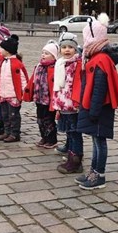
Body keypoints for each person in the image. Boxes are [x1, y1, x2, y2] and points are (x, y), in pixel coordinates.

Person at [76, 14, 118, 190]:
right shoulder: (96, 57)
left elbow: (99, 89)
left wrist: (94, 111)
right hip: (95, 108)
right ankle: (93, 171)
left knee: (100, 142)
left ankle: (99, 175)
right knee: (96, 141)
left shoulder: (101, 60)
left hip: (99, 109)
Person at [0, 36, 28, 143]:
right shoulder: (3, 61)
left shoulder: (16, 64)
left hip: (12, 95)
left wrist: (24, 93)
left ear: (7, 51)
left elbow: (23, 79)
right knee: (5, 115)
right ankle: (7, 132)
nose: (0, 50)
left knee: (13, 116)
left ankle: (15, 133)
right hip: (3, 93)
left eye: (2, 48)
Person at [52, 33, 83, 174]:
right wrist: (57, 105)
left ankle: (76, 160)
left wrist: (76, 103)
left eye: (70, 47)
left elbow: (76, 86)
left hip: (73, 106)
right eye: (64, 47)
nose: (67, 50)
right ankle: (71, 155)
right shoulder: (60, 63)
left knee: (75, 133)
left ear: (75, 49)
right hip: (63, 105)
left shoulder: (76, 64)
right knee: (69, 133)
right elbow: (58, 87)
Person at [24, 41, 60, 148]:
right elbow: (33, 81)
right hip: (39, 98)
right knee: (40, 119)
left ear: (53, 56)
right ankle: (43, 137)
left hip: (49, 100)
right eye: (43, 52)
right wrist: (27, 92)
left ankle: (51, 139)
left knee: (48, 120)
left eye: (47, 53)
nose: (43, 55)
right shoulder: (39, 66)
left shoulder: (55, 68)